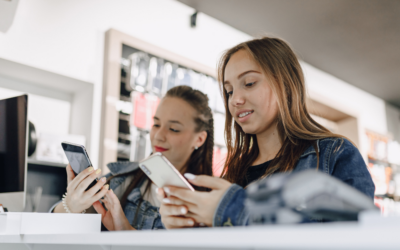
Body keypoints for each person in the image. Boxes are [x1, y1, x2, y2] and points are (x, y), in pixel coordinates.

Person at [157, 37, 375, 228]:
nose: (235, 100)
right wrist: (189, 228)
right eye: (229, 91)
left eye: (249, 83)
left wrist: (234, 209)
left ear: (286, 85)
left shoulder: (334, 154)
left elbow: (357, 240)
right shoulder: (233, 173)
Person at [52, 85, 214, 230]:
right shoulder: (120, 182)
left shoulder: (213, 203)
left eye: (173, 129)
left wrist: (127, 233)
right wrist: (69, 206)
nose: (158, 135)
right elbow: (52, 228)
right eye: (156, 124)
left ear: (199, 139)